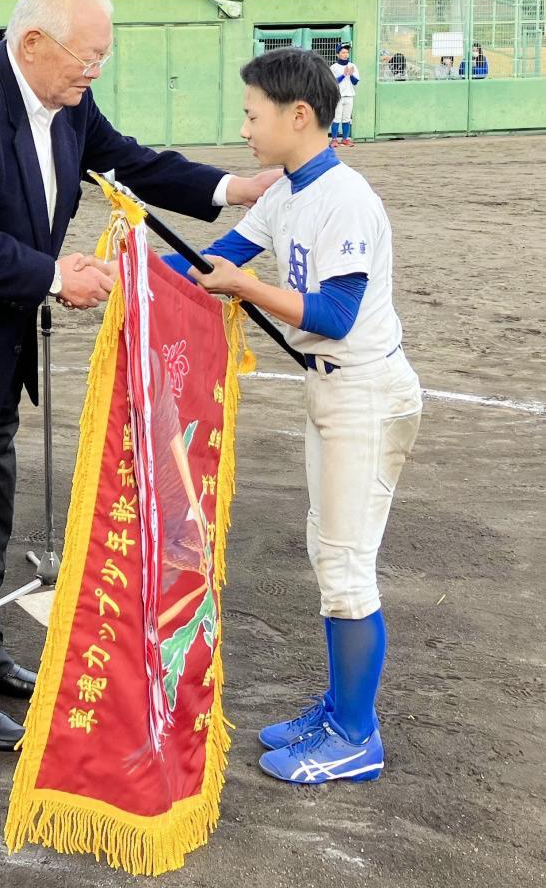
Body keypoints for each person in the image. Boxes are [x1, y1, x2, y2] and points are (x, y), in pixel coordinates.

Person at [0, 0, 280, 753]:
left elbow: (133, 164)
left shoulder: (66, 103)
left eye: (101, 59)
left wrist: (235, 187)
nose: (94, 73)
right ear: (33, 43)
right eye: (86, 57)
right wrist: (56, 275)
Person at [164, 47, 422, 785]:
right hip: (334, 392)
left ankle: (353, 734)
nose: (244, 128)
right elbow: (214, 257)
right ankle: (340, 707)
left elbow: (335, 314)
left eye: (252, 114)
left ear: (297, 115)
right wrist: (130, 276)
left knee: (345, 567)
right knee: (326, 552)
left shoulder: (346, 198)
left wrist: (244, 288)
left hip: (365, 391)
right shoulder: (286, 192)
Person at [328, 43, 359, 148]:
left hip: (349, 95)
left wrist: (350, 75)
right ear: (337, 54)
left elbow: (355, 82)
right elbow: (332, 82)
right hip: (338, 96)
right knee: (336, 118)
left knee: (347, 119)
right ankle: (334, 139)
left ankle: (345, 139)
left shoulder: (352, 66)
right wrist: (343, 75)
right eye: (343, 52)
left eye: (347, 52)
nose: (346, 54)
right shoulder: (334, 67)